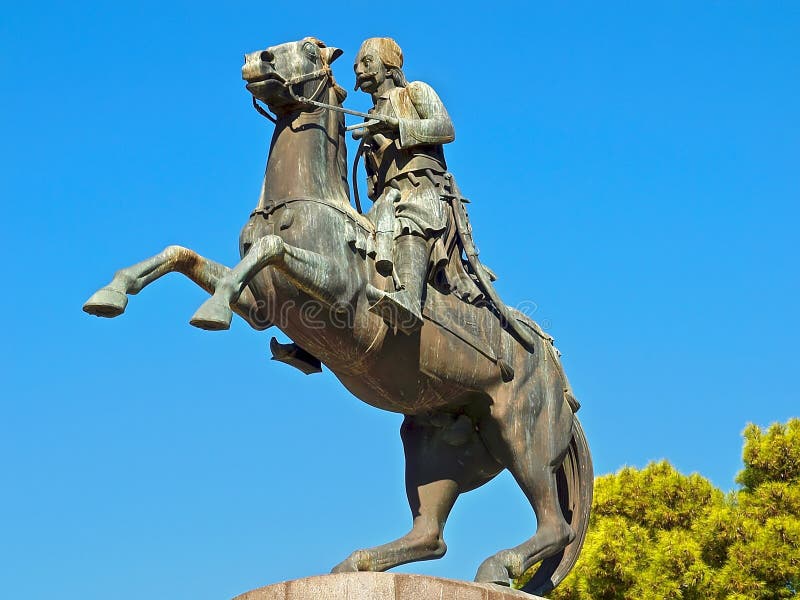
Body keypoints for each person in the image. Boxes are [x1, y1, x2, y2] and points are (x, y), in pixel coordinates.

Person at [352, 37, 455, 333]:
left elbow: (446, 128)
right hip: (387, 200)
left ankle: (409, 297)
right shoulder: (368, 119)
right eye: (356, 65)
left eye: (367, 62)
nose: (359, 69)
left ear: (389, 67)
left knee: (410, 220)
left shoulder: (414, 92)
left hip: (423, 191)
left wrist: (398, 127)